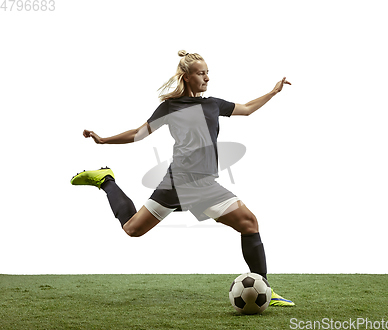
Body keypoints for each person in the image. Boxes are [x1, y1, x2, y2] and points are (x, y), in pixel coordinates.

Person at [71, 50, 294, 306]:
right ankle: (106, 180)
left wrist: (273, 92)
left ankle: (264, 289)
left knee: (249, 223)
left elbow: (246, 109)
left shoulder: (213, 104)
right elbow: (138, 134)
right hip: (179, 183)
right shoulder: (170, 107)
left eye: (208, 72)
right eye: (201, 73)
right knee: (132, 228)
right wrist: (104, 140)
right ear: (187, 77)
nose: (207, 77)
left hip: (206, 185)